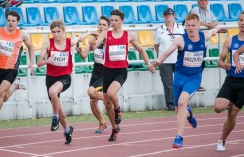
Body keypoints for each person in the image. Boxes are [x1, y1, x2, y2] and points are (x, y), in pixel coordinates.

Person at [153, 13, 226, 149]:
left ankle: (179, 137)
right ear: (185, 26)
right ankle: (190, 113)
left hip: (194, 78)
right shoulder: (181, 39)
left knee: (182, 102)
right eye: (188, 26)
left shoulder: (204, 36)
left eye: (193, 25)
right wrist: (158, 61)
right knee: (179, 109)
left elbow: (213, 31)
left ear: (198, 26)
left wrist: (219, 29)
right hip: (179, 77)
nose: (191, 28)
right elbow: (167, 51)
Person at [90, 9, 155, 141]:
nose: (113, 23)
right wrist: (91, 42)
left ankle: (118, 109)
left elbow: (141, 49)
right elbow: (94, 46)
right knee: (107, 103)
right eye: (112, 20)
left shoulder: (128, 35)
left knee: (111, 93)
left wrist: (148, 64)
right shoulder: (106, 34)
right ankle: (115, 128)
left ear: (122, 21)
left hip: (121, 71)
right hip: (107, 70)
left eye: (116, 20)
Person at [37, 19, 93, 144]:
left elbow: (80, 38)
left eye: (58, 32)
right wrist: (47, 61)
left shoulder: (69, 41)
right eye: (53, 32)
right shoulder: (48, 43)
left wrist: (90, 32)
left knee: (53, 92)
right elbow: (39, 63)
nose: (56, 35)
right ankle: (68, 130)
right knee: (61, 110)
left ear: (64, 31)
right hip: (50, 78)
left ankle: (54, 117)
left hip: (65, 78)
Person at [0, 11, 34, 136]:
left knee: (0, 92)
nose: (11, 23)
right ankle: (16, 85)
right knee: (5, 97)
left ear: (17, 22)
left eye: (13, 21)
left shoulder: (22, 35)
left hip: (12, 69)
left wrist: (31, 63)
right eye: (9, 20)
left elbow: (31, 47)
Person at [214, 13, 244, 151]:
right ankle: (229, 102)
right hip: (231, 79)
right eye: (241, 20)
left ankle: (222, 140)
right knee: (218, 107)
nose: (242, 23)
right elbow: (220, 60)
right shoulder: (230, 41)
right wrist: (224, 65)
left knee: (232, 114)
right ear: (238, 22)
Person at [76, 16, 110, 133]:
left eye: (104, 25)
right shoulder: (93, 38)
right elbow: (85, 55)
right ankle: (102, 122)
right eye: (99, 24)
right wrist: (80, 52)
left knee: (91, 92)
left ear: (108, 27)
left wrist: (90, 34)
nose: (101, 27)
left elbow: (103, 40)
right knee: (92, 101)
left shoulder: (108, 37)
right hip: (96, 71)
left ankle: (110, 100)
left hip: (107, 71)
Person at [154, 8, 185, 111]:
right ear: (163, 16)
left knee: (180, 82)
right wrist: (162, 56)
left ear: (174, 16)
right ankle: (171, 105)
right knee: (167, 84)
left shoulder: (180, 28)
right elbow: (156, 45)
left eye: (170, 15)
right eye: (166, 15)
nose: (168, 16)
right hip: (165, 61)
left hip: (178, 59)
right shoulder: (159, 29)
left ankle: (182, 102)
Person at [191, 0, 218, 92]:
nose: (203, 2)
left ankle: (197, 83)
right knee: (195, 63)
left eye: (205, 0)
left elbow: (215, 22)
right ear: (198, 1)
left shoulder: (209, 11)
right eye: (201, 0)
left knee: (201, 63)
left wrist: (212, 24)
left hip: (205, 41)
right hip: (195, 40)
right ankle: (194, 84)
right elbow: (195, 21)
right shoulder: (195, 9)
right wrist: (207, 24)